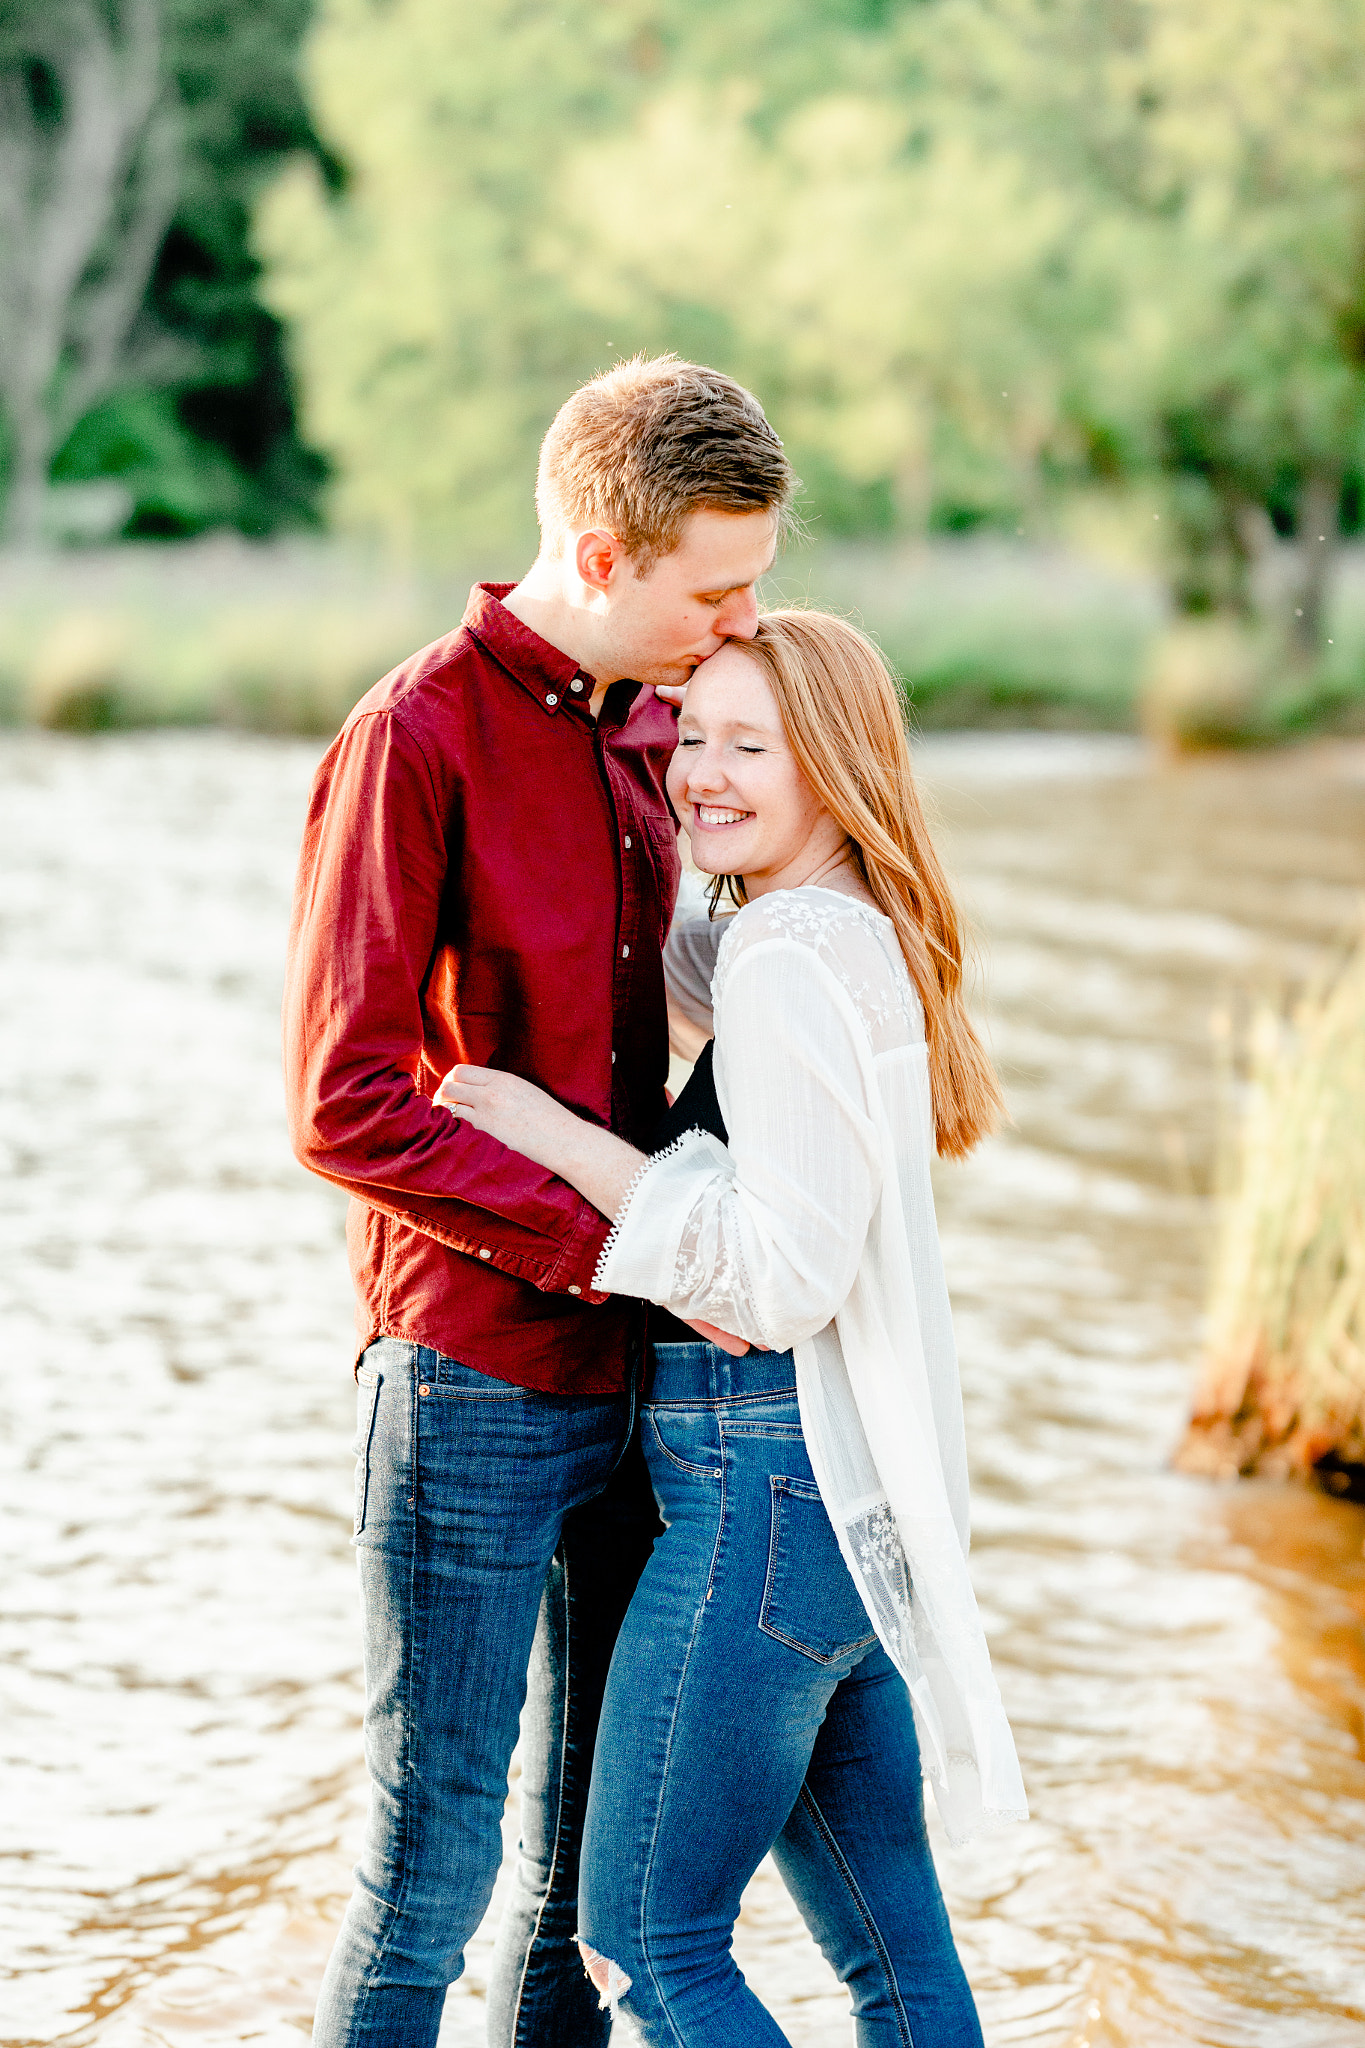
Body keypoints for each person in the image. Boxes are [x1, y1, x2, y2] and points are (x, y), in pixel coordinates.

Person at [283, 354, 795, 2048]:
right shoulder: (408, 740)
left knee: (584, 1892)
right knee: (423, 1872)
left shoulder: (665, 731)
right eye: (712, 588)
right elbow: (341, 1107)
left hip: (655, 1386)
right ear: (598, 549)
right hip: (470, 1385)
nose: (737, 624)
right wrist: (612, 1241)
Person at [438, 608, 1029, 2043]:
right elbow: (662, 962)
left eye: (746, 744)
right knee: (892, 1953)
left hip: (759, 1490)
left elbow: (779, 1279)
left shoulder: (782, 960)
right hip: (840, 1502)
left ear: (830, 764)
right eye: (686, 735)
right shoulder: (829, 929)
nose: (699, 769)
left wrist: (554, 1134)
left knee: (645, 1936)